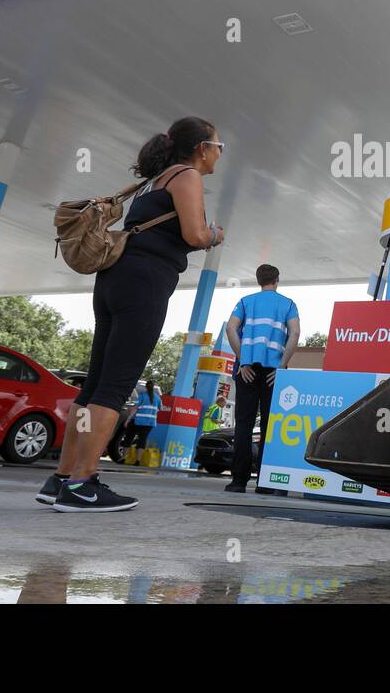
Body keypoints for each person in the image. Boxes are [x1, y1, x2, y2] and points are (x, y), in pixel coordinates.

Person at [42, 116, 226, 513]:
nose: (218, 154)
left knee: (94, 385)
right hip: (145, 282)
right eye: (218, 146)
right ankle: (82, 484)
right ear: (201, 148)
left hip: (114, 279)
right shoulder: (187, 176)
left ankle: (60, 477)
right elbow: (194, 235)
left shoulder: (152, 181)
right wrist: (215, 235)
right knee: (116, 384)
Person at [223, 264, 300, 494]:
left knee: (244, 425)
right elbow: (294, 333)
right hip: (272, 374)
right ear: (277, 279)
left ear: (259, 280)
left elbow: (231, 329)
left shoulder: (246, 301)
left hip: (247, 369)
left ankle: (238, 481)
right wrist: (282, 365)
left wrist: (243, 359)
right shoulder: (288, 304)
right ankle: (265, 483)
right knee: (269, 425)